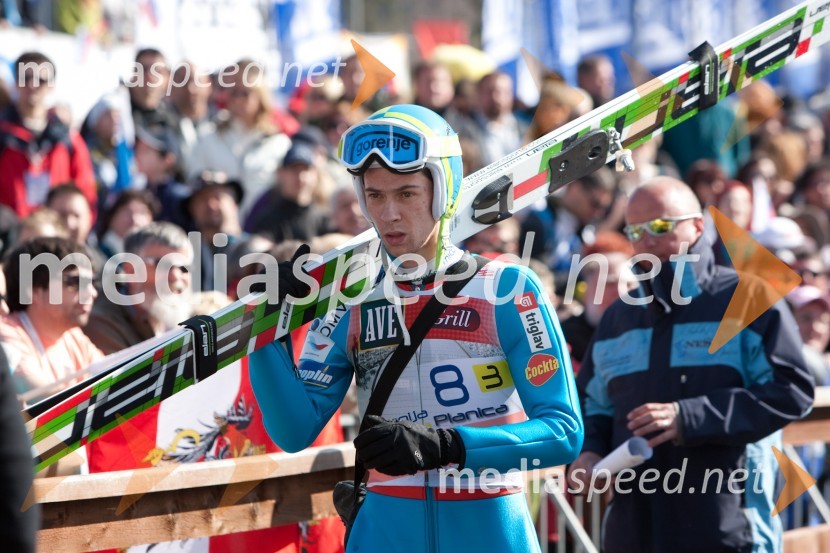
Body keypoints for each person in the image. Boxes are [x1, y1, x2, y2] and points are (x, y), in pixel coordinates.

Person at [249, 104, 583, 552]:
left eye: (406, 194)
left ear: (444, 192)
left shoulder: (506, 289)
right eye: (374, 195)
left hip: (489, 530)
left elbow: (562, 432)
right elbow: (293, 431)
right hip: (385, 532)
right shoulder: (351, 301)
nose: (388, 214)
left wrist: (448, 446)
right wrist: (265, 331)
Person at [567, 176, 814, 553]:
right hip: (634, 531)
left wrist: (690, 416)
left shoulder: (748, 299)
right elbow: (592, 407)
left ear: (698, 226)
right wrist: (590, 451)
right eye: (635, 230)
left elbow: (791, 391)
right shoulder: (618, 317)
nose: (647, 240)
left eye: (661, 226)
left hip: (726, 526)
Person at [0, 236, 103, 405]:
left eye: (91, 283)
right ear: (34, 291)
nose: (92, 293)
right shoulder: (6, 334)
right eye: (74, 282)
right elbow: (45, 399)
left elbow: (112, 376)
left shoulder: (73, 336)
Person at [0, 52, 97, 217]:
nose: (32, 84)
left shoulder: (68, 138)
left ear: (52, 86)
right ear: (15, 82)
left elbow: (85, 189)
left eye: (41, 80)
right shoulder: (3, 132)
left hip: (57, 230)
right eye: (26, 77)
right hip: (8, 233)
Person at [83, 222, 193, 355]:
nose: (176, 276)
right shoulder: (102, 323)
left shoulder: (195, 316)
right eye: (162, 264)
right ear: (131, 270)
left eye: (184, 267)